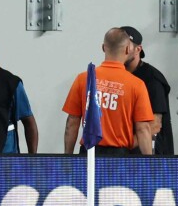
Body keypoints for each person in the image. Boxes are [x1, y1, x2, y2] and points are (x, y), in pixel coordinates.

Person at [61, 27, 155, 157]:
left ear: (103, 47)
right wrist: (150, 166)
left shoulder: (84, 78)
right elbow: (143, 129)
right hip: (119, 158)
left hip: (88, 155)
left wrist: (68, 159)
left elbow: (72, 123)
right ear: (128, 49)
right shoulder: (136, 85)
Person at [123, 26, 173, 156]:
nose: (122, 50)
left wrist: (121, 148)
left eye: (126, 46)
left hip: (146, 156)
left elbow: (155, 125)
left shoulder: (152, 78)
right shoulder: (116, 75)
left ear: (138, 49)